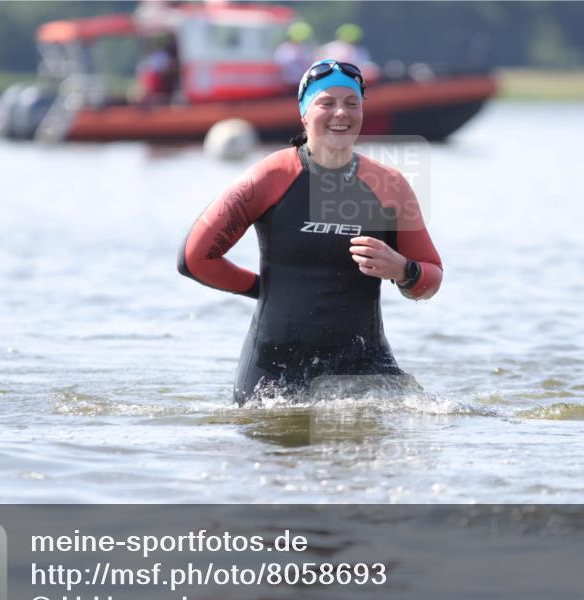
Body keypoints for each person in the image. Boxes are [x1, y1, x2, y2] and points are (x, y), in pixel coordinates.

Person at [178, 60, 443, 404]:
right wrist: (262, 289)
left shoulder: (388, 185)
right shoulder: (271, 176)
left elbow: (431, 277)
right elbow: (194, 258)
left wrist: (403, 270)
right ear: (304, 113)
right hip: (274, 370)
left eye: (352, 103)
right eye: (326, 103)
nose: (341, 113)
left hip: (363, 367)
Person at [275, 22, 316, 86]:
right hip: (288, 82)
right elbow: (280, 64)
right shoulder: (284, 48)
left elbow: (311, 62)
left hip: (305, 81)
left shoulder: (307, 48)